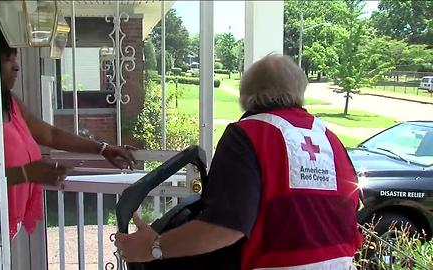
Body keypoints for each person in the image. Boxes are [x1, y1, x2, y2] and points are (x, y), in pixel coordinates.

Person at [114, 54, 363, 269]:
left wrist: (153, 248)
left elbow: (225, 227)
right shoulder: (329, 138)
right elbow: (350, 209)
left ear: (246, 95)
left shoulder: (248, 134)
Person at [0, 31, 136, 240]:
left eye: (15, 58)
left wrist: (103, 149)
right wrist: (26, 174)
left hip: (8, 222)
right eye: (8, 59)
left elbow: (51, 134)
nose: (16, 66)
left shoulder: (11, 103)